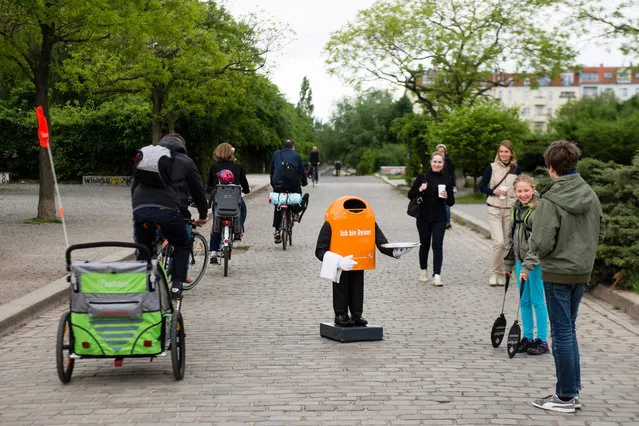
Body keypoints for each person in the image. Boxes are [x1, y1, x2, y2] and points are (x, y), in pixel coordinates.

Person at [530, 140, 605, 413]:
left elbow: (541, 240)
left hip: (558, 272)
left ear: (551, 168)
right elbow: (601, 232)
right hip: (582, 271)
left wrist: (546, 255)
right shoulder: (591, 194)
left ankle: (564, 396)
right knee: (568, 330)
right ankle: (572, 391)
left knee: (561, 333)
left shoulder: (550, 200)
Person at [132, 133, 209, 297]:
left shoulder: (148, 160)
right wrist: (203, 214)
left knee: (144, 247)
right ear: (182, 146)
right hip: (167, 210)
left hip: (140, 209)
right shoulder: (185, 161)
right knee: (182, 243)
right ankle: (176, 285)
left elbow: (135, 185)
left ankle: (140, 286)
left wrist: (137, 210)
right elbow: (198, 191)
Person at [315, 196, 410, 327]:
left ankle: (356, 314)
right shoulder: (333, 222)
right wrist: (338, 261)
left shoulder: (368, 221)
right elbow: (320, 250)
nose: (355, 215)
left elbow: (381, 243)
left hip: (359, 262)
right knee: (341, 285)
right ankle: (340, 314)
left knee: (357, 286)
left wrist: (394, 252)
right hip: (341, 265)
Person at [503, 174, 548, 356]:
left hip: (535, 264)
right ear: (514, 192)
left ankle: (542, 340)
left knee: (537, 300)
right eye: (519, 191)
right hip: (522, 262)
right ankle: (528, 337)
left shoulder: (537, 210)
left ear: (533, 190)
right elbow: (510, 239)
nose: (523, 194)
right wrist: (508, 265)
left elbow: (538, 242)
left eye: (526, 190)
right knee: (524, 300)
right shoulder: (516, 210)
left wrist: (528, 268)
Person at [407, 151, 455, 286]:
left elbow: (451, 202)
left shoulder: (447, 179)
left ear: (443, 164)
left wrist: (446, 196)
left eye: (440, 162)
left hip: (439, 217)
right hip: (423, 217)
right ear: (431, 162)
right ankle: (423, 270)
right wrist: (420, 189)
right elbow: (410, 195)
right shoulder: (423, 177)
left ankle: (437, 275)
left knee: (437, 246)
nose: (437, 164)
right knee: (424, 244)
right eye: (435, 161)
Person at [479, 140, 521, 286]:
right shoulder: (491, 167)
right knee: (499, 242)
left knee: (507, 244)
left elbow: (520, 187)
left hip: (510, 209)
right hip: (494, 207)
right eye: (501, 151)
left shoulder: (516, 169)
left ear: (511, 153)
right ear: (498, 153)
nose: (503, 154)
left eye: (506, 151)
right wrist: (493, 191)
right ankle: (493, 273)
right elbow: (482, 187)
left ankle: (504, 273)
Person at [207, 143, 250, 263]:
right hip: (234, 201)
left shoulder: (214, 166)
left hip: (219, 201)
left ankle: (214, 251)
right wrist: (246, 190)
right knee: (243, 209)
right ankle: (239, 228)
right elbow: (244, 183)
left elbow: (209, 185)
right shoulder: (237, 166)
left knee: (216, 224)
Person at [269, 139, 307, 243]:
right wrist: (304, 182)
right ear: (293, 147)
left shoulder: (276, 154)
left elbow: (272, 170)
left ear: (283, 146)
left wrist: (273, 183)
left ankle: (277, 230)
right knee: (298, 191)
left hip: (278, 184)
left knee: (278, 204)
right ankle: (295, 213)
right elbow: (302, 172)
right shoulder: (297, 156)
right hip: (292, 185)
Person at [435, 144, 456, 229]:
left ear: (445, 152)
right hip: (436, 185)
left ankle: (447, 222)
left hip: (446, 185)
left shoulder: (449, 161)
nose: (441, 153)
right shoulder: (434, 161)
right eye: (439, 152)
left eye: (442, 152)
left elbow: (452, 174)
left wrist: (454, 185)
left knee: (446, 204)